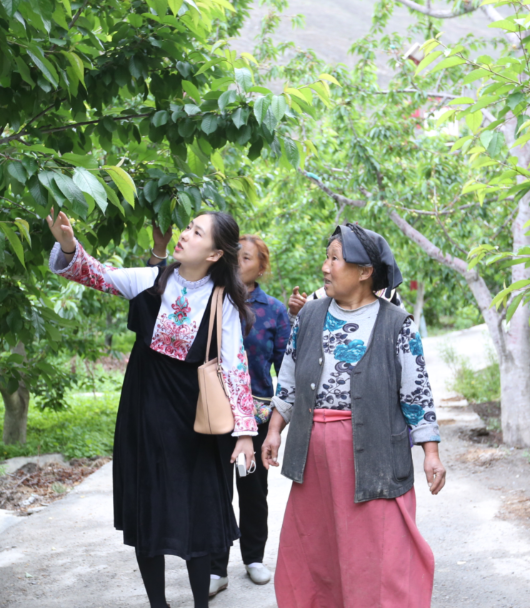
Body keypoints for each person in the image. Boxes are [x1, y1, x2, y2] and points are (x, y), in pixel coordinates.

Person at [47, 210, 257, 608]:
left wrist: (244, 432)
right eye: (188, 227)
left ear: (214, 254)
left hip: (195, 422)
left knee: (198, 516)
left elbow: (235, 366)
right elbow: (94, 273)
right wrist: (69, 246)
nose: (185, 235)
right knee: (148, 510)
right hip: (144, 412)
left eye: (197, 233)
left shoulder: (223, 300)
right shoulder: (150, 279)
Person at [261, 222, 446, 608]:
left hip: (374, 454)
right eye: (326, 258)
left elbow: (416, 393)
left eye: (335, 259)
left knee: (377, 552)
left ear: (365, 272)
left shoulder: (397, 324)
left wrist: (430, 453)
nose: (325, 267)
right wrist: (275, 429)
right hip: (314, 457)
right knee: (316, 549)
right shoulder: (309, 316)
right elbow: (290, 378)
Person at [209, 235, 291, 595]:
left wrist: (278, 422)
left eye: (246, 258)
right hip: (213, 412)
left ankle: (254, 558)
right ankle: (215, 567)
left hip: (256, 417)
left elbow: (286, 369)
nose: (238, 263)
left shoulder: (273, 310)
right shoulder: (212, 300)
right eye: (234, 257)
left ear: (261, 267)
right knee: (215, 491)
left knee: (254, 491)